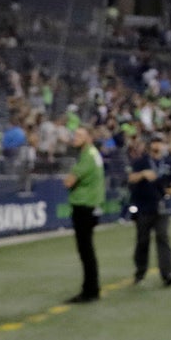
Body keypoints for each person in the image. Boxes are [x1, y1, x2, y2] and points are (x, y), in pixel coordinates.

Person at [127, 133, 171, 287]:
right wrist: (143, 174)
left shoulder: (168, 162)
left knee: (163, 238)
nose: (157, 146)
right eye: (155, 142)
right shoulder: (141, 161)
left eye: (160, 142)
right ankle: (140, 272)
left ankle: (167, 273)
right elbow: (131, 178)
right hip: (143, 206)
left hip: (162, 206)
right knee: (142, 240)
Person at [63, 125, 104, 303]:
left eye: (79, 135)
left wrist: (70, 179)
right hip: (90, 205)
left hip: (84, 206)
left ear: (89, 138)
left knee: (85, 250)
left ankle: (90, 290)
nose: (75, 138)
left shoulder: (87, 157)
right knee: (87, 250)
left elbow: (69, 181)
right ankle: (91, 287)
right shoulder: (93, 154)